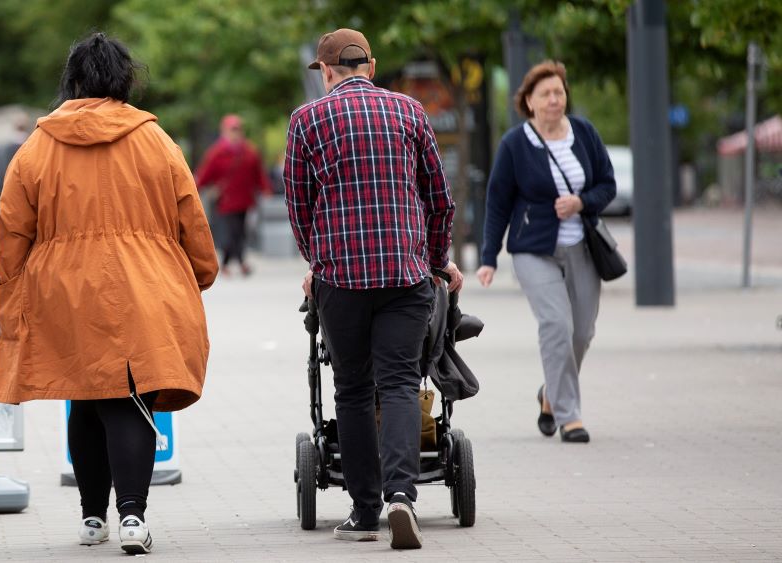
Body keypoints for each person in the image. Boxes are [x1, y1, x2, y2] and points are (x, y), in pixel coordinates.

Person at [0, 32, 218, 554]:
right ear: (124, 80)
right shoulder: (155, 141)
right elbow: (191, 216)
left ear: (72, 81)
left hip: (63, 291)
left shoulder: (36, 148)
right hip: (144, 285)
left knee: (85, 400)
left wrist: (14, 298)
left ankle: (93, 518)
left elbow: (11, 234)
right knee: (129, 398)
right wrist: (200, 273)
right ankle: (132, 517)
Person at [284, 28, 462, 550]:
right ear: (372, 66)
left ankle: (364, 513)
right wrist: (436, 261)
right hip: (406, 275)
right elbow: (440, 198)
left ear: (326, 71)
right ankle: (402, 494)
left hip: (340, 278)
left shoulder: (306, 120)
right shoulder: (410, 112)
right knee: (401, 382)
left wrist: (316, 260)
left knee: (353, 388)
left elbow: (299, 207)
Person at [476, 60, 615, 444]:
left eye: (559, 92)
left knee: (582, 332)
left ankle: (551, 395)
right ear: (529, 102)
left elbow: (608, 185)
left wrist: (581, 202)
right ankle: (570, 417)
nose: (555, 99)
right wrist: (489, 257)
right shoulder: (515, 144)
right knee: (556, 325)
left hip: (582, 246)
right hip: (533, 250)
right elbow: (498, 203)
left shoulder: (584, 133)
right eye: (546, 94)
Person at [194, 114, 270, 276]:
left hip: (244, 200)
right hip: (225, 201)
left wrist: (265, 189)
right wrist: (193, 189)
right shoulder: (217, 153)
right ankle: (238, 263)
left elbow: (259, 174)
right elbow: (205, 174)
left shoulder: (249, 152)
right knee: (229, 233)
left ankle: (230, 263)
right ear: (224, 131)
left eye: (237, 129)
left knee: (240, 232)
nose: (235, 133)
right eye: (232, 130)